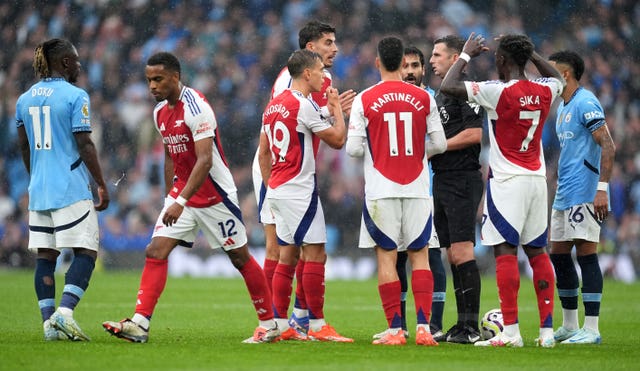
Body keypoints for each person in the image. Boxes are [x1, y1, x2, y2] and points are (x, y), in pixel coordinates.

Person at [102, 52, 277, 344]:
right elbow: (171, 154)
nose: (152, 86)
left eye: (158, 79)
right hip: (183, 195)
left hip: (215, 197)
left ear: (174, 76)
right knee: (155, 250)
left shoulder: (197, 107)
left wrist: (179, 200)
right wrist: (171, 193)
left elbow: (205, 161)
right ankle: (140, 324)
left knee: (239, 258)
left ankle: (269, 324)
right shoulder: (160, 113)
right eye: (148, 81)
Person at [440, 33, 564, 348]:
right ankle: (547, 332)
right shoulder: (545, 89)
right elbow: (558, 77)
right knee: (537, 251)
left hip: (508, 181)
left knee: (505, 251)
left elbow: (448, 86)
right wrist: (532, 52)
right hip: (537, 180)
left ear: (501, 60)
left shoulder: (497, 92)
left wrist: (465, 55)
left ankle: (511, 333)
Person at [251, 20, 355, 339]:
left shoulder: (311, 83)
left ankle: (290, 320)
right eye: (328, 42)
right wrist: (336, 113)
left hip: (282, 174)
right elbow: (300, 127)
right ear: (310, 52)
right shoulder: (291, 84)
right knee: (283, 250)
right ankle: (279, 323)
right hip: (284, 172)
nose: (334, 48)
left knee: (289, 250)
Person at [347, 36, 447, 346]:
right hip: (418, 188)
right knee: (420, 258)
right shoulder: (424, 98)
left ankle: (394, 330)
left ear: (377, 62)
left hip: (381, 190)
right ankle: (423, 329)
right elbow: (440, 145)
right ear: (403, 63)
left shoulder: (364, 99)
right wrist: (416, 151)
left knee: (388, 259)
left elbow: (352, 149)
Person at [15, 38, 110, 341]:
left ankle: (48, 325)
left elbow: (25, 147)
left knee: (46, 256)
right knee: (87, 250)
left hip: (39, 189)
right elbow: (84, 143)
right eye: (77, 60)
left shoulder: (24, 99)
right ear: (66, 63)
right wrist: (101, 183)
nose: (80, 65)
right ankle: (64, 313)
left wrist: (38, 179)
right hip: (70, 187)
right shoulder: (75, 96)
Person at [548, 50, 616, 345]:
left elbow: (609, 145)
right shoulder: (564, 107)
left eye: (550, 72)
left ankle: (592, 328)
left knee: (586, 255)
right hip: (565, 192)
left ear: (565, 74)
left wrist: (602, 189)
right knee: (559, 255)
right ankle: (570, 325)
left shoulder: (586, 102)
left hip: (586, 192)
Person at [428, 35, 485, 344]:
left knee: (463, 251)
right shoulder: (440, 96)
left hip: (462, 177)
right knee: (452, 254)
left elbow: (475, 134)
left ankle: (471, 327)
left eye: (438, 55)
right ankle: (461, 325)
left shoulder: (467, 91)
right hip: (443, 178)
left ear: (454, 59)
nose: (432, 60)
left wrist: (435, 148)